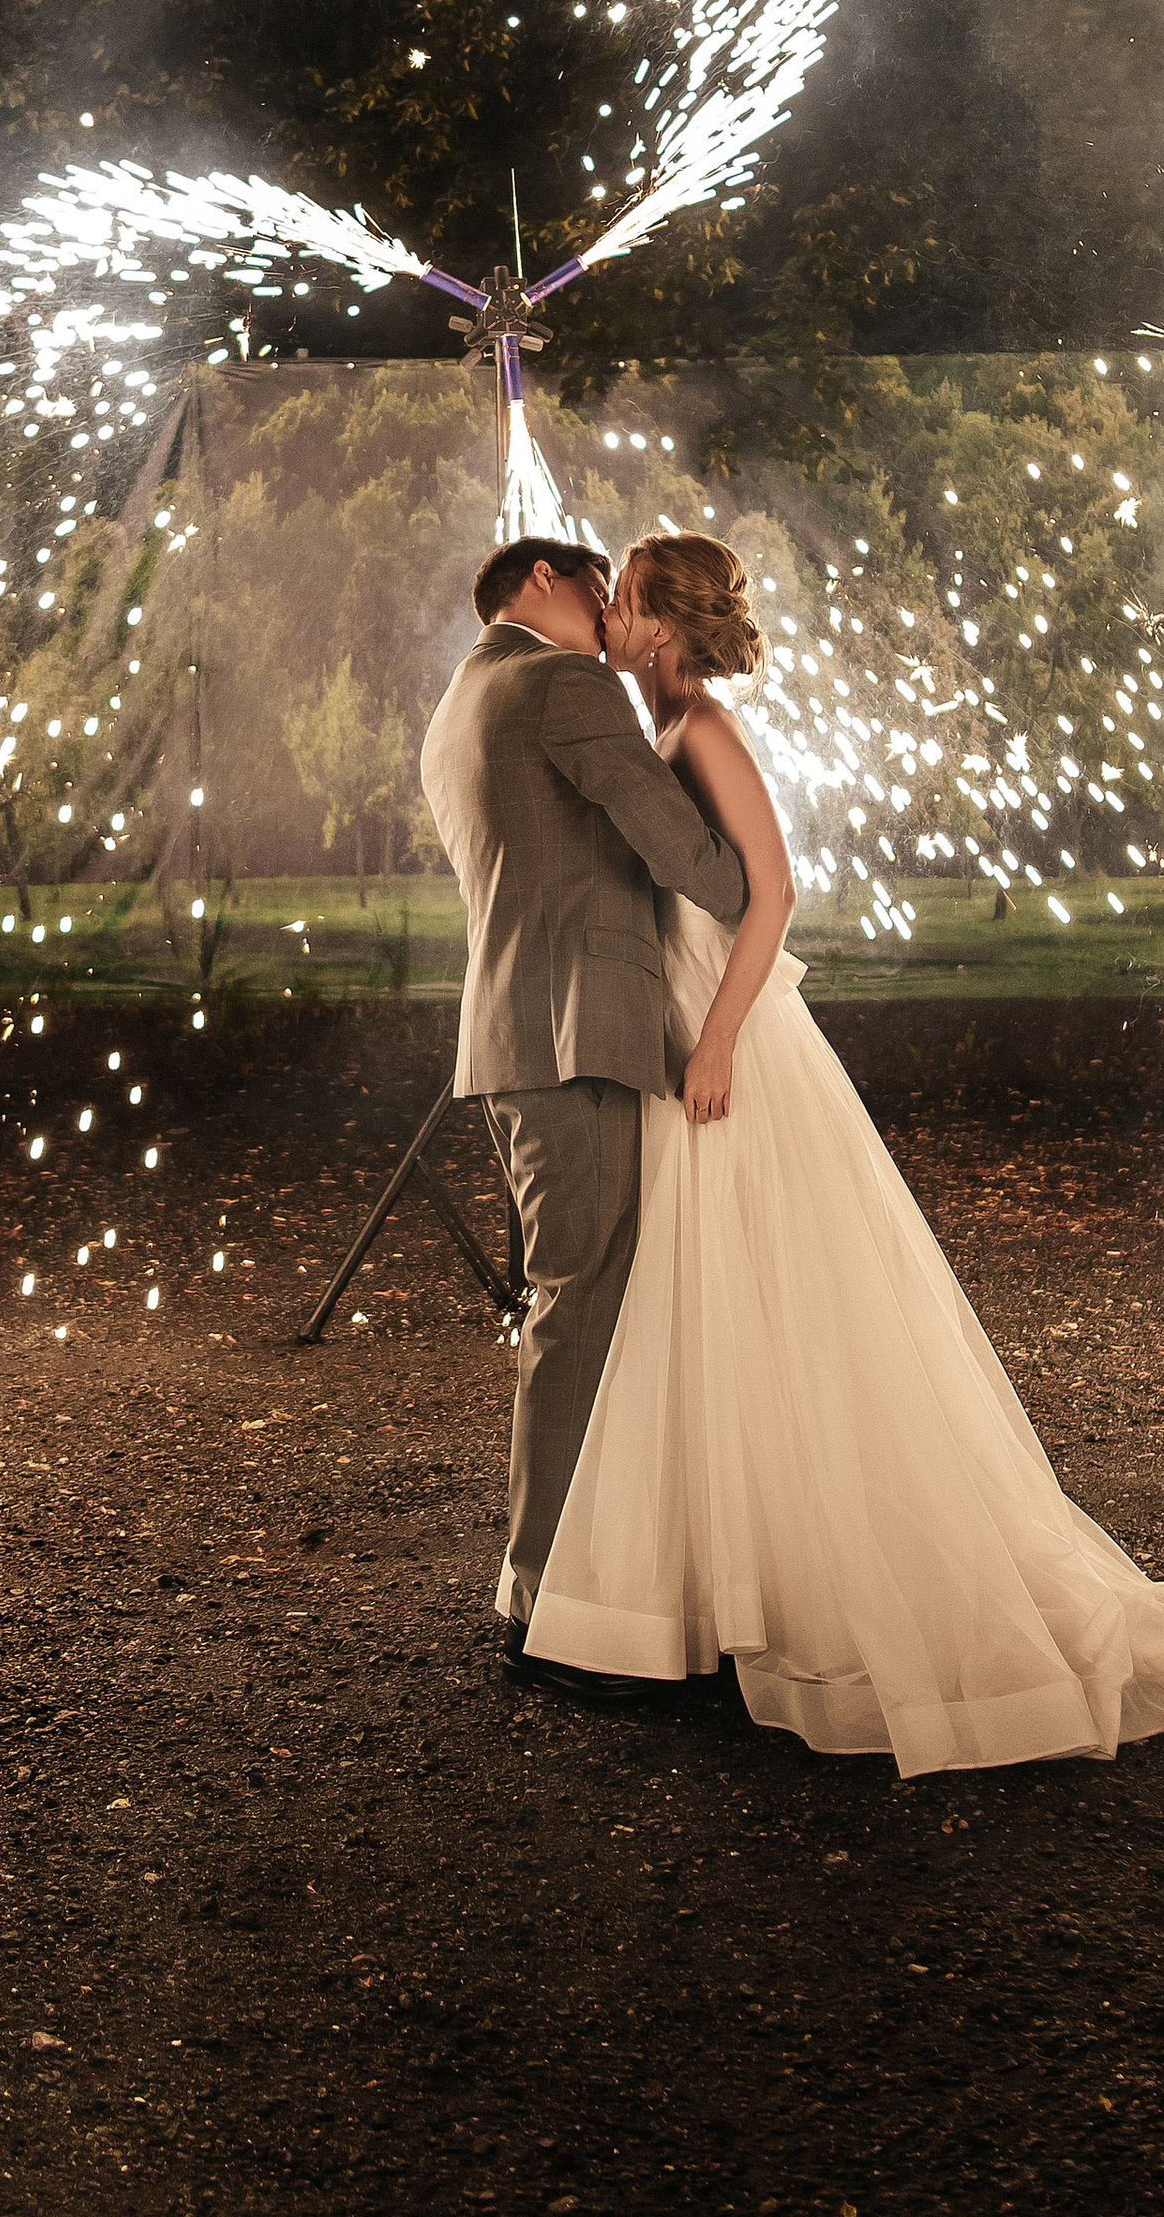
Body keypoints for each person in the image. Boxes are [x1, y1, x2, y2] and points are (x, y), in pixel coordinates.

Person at [529, 527, 1164, 1773]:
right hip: (687, 1034)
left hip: (731, 1041)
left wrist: (717, 1042)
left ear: (659, 623)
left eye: (628, 604)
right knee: (715, 1310)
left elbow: (776, 888)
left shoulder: (700, 731)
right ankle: (722, 1590)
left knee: (780, 1299)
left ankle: (820, 1593)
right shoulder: (652, 733)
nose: (612, 620)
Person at [418, 534, 752, 1699]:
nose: (609, 617)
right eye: (597, 591)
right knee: (579, 1303)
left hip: (520, 1041)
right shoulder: (558, 685)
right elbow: (664, 836)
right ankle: (548, 1600)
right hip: (574, 1040)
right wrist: (744, 889)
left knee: (579, 1295)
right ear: (548, 587)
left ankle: (581, 1583)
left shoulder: (457, 705)